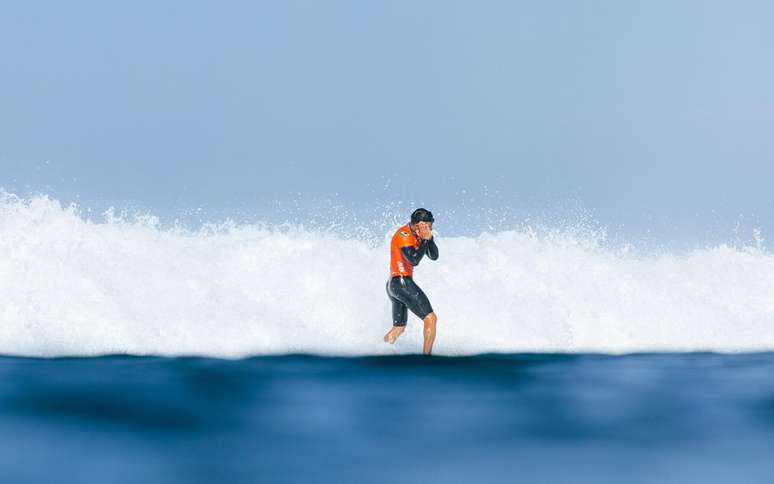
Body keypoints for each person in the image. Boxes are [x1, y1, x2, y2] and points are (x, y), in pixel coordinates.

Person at [383, 208, 439, 355]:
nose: (430, 228)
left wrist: (429, 239)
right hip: (400, 283)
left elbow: (434, 256)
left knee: (399, 328)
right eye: (428, 225)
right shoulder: (404, 235)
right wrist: (425, 240)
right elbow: (414, 260)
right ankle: (426, 360)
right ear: (419, 224)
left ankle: (380, 350)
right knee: (431, 318)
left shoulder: (418, 235)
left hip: (394, 285)